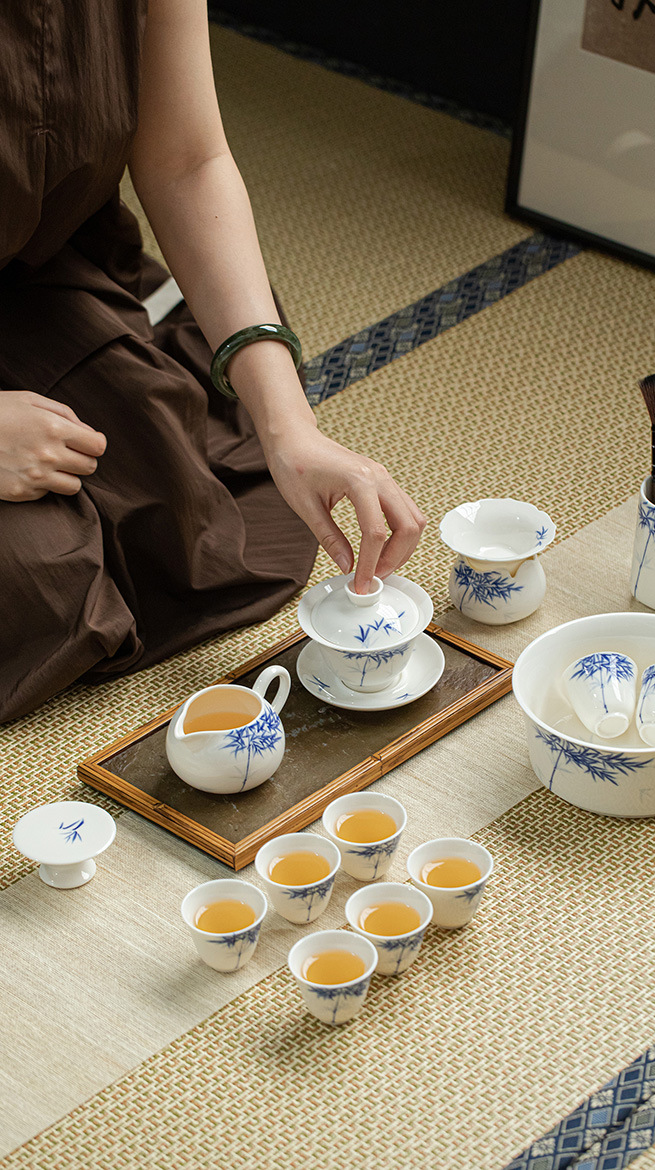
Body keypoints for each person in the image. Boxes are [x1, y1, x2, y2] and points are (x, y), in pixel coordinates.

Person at [0, 0, 425, 723]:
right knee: (44, 576)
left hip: (40, 279)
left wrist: (291, 431)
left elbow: (187, 160)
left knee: (190, 522)